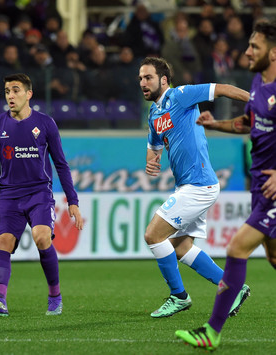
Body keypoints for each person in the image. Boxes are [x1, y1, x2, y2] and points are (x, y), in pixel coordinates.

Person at [175, 21, 276, 351]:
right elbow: (247, 122)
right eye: (248, 45)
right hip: (261, 185)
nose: (247, 51)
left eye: (255, 47)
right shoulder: (259, 83)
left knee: (236, 249)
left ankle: (211, 332)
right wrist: (214, 124)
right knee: (273, 256)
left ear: (273, 53)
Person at [138, 57, 251, 319]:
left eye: (148, 78)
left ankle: (179, 296)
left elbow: (220, 88)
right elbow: (153, 145)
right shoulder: (154, 113)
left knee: (153, 236)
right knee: (180, 247)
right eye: (141, 79)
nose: (143, 83)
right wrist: (151, 162)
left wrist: (254, 101)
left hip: (198, 185)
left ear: (163, 80)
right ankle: (234, 288)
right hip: (187, 186)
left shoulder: (181, 95)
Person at [0, 73, 83, 317]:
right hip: (8, 196)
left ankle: (55, 295)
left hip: (39, 192)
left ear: (29, 94)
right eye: (8, 91)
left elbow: (61, 164)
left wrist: (72, 201)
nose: (10, 95)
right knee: (3, 243)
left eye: (16, 90)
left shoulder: (45, 124)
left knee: (42, 238)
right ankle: (0, 300)